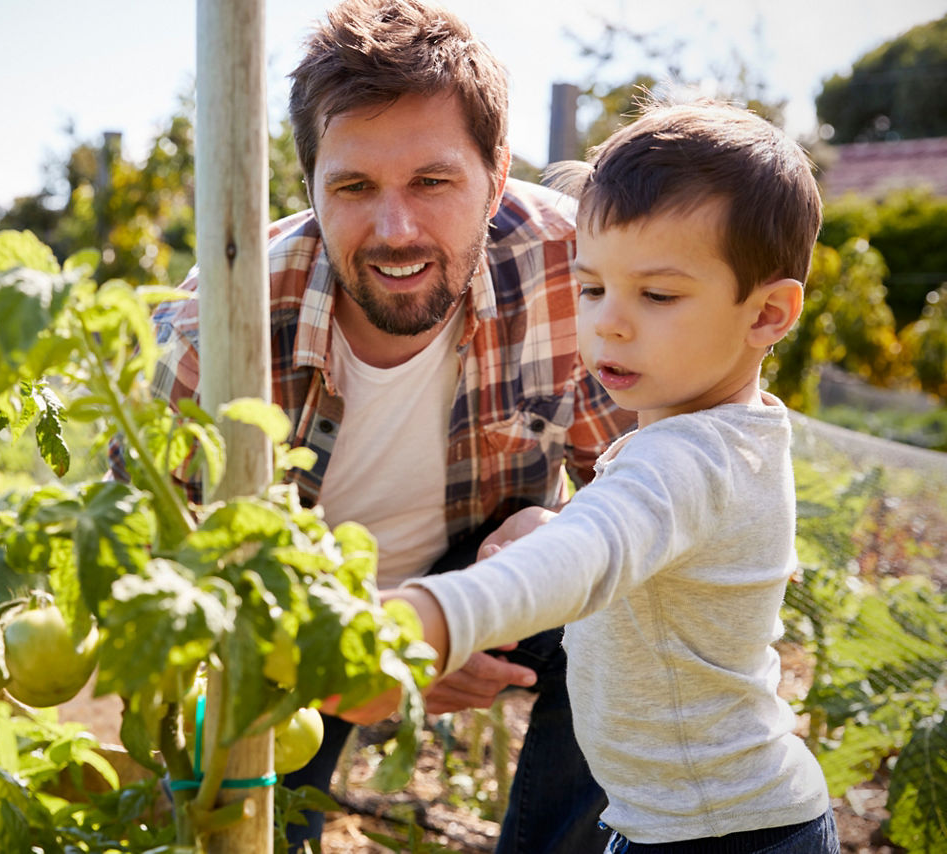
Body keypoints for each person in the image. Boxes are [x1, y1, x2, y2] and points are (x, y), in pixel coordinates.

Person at [135, 1, 635, 849]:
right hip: (298, 624)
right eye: (355, 187)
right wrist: (353, 658)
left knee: (630, 610)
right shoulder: (211, 332)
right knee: (223, 826)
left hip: (497, 581)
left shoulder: (573, 271)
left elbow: (654, 480)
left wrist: (549, 533)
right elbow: (160, 585)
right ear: (309, 189)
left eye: (433, 182)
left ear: (497, 170)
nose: (396, 229)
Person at [382, 98, 840, 853]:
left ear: (766, 316)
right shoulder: (732, 432)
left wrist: (430, 617)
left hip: (718, 834)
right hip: (700, 819)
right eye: (593, 288)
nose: (609, 324)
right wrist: (564, 521)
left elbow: (588, 560)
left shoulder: (685, 453)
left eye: (657, 295)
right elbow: (651, 544)